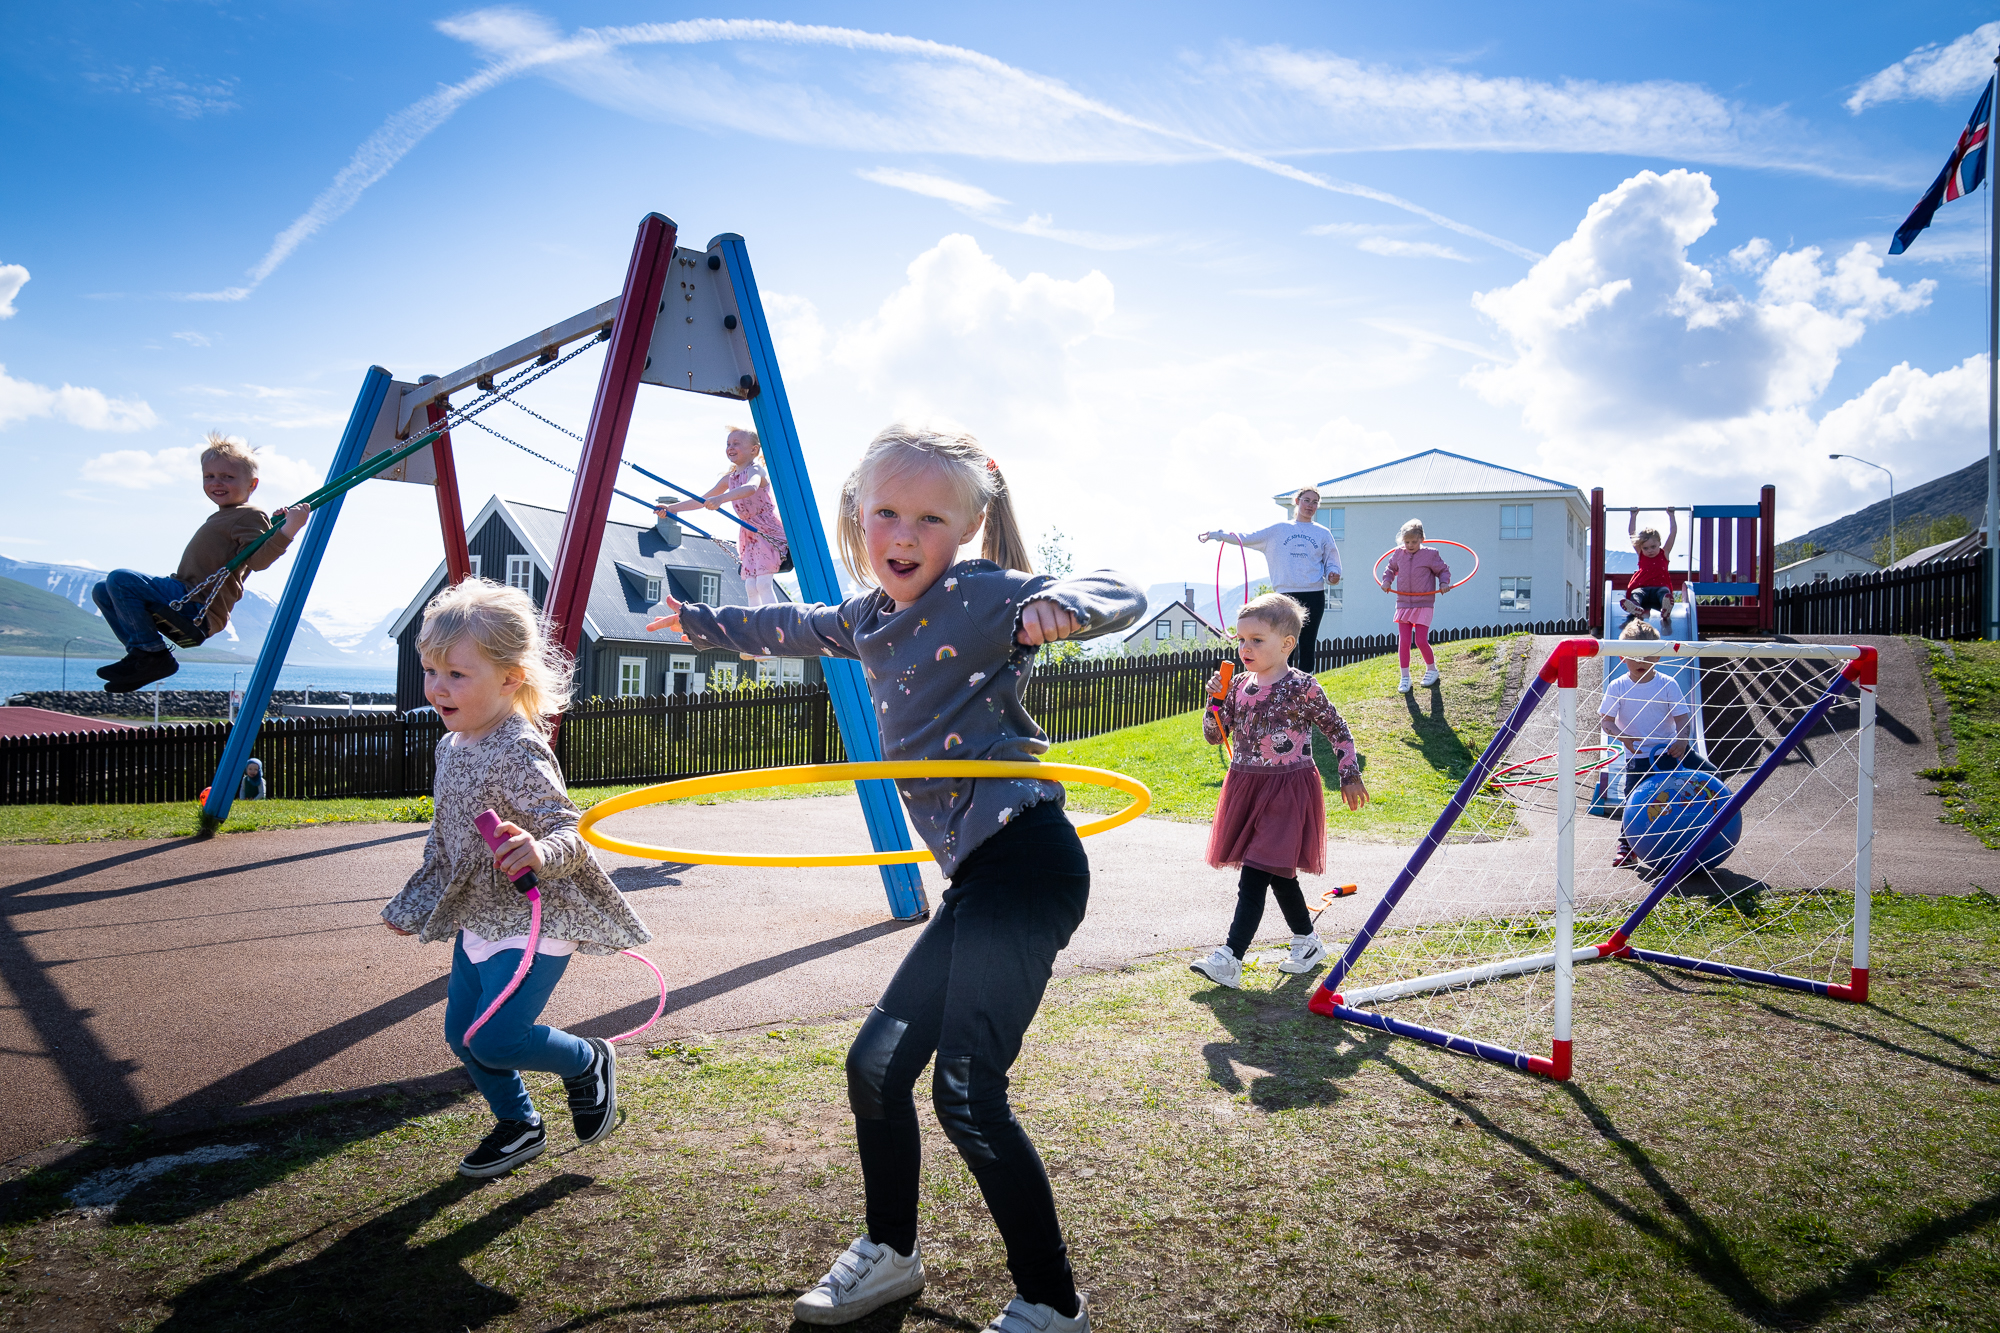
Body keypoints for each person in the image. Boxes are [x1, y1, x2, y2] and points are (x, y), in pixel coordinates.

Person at [654, 425, 1143, 1332]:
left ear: (965, 529)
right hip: (978, 877)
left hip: (1027, 860)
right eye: (885, 511)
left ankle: (1051, 1302)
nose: (904, 533)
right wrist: (700, 622)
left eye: (929, 517)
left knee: (965, 1089)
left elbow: (1123, 589)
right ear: (857, 518)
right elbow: (789, 626)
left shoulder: (983, 593)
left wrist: (1066, 605)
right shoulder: (867, 617)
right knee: (876, 1067)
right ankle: (890, 1253)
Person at [380, 579, 651, 1179]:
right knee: (463, 1036)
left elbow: (569, 828)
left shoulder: (518, 746)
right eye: (430, 670)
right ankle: (519, 1124)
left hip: (535, 917)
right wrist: (414, 902)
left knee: (497, 1038)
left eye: (456, 674)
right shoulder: (451, 747)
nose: (436, 687)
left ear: (510, 678)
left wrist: (537, 848)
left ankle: (586, 1061)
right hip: (479, 914)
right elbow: (445, 839)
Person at [1190, 593, 1368, 990]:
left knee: (1254, 873)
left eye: (1257, 640)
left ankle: (1230, 957)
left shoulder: (1303, 686)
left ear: (1286, 643)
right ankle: (1307, 943)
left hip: (1288, 790)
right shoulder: (1236, 685)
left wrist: (1349, 773)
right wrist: (1213, 702)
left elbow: (1338, 730)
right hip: (1246, 785)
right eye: (1241, 640)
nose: (1245, 648)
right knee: (1276, 872)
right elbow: (1212, 737)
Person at [91, 433, 311, 693]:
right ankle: (141, 655)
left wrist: (288, 531)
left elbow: (258, 561)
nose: (217, 482)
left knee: (120, 579)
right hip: (183, 593)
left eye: (228, 477)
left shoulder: (250, 515)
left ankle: (152, 655)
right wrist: (276, 529)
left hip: (196, 605)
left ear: (252, 485)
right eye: (209, 476)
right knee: (102, 589)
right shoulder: (226, 515)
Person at [1599, 620, 1710, 867]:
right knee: (1633, 800)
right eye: (1635, 656)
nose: (1642, 661)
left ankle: (1704, 830)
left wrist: (1682, 740)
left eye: (1649, 655)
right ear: (1621, 657)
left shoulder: (1667, 684)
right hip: (1638, 757)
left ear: (1659, 656)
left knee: (1709, 775)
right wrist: (1622, 736)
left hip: (1671, 752)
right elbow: (1606, 721)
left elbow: (1682, 717)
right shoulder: (1618, 686)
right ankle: (1627, 846)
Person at [1198, 487, 1342, 672]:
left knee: (1308, 641)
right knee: (1283, 641)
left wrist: (1333, 575)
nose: (1310, 505)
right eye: (1307, 500)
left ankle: (1305, 686)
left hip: (1314, 593)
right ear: (1297, 502)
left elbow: (1333, 562)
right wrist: (1217, 535)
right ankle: (1282, 682)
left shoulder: (1323, 533)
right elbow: (1245, 538)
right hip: (1285, 596)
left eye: (1315, 502)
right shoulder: (1278, 530)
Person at [656, 425, 790, 612]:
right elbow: (702, 500)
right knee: (750, 586)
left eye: (736, 443)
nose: (730, 447)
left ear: (754, 450)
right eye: (728, 444)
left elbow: (751, 488)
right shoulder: (730, 478)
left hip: (766, 530)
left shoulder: (756, 469)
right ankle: (756, 623)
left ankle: (775, 622)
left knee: (763, 583)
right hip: (749, 533)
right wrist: (672, 508)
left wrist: (721, 499)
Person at [1380, 519, 1452, 693]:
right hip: (1404, 603)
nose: (1410, 545)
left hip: (1424, 603)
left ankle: (1432, 669)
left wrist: (1444, 583)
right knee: (1404, 641)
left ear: (1422, 539)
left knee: (1420, 640)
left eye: (1414, 541)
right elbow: (1390, 569)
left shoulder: (1431, 554)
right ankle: (1405, 677)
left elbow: (1443, 570)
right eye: (1407, 542)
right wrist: (1387, 581)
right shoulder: (1398, 554)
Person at [1621, 508, 1678, 628]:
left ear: (1659, 544)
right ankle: (1635, 607)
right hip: (1643, 589)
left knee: (1664, 592)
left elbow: (1673, 533)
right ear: (1641, 548)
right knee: (1636, 593)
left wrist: (1671, 516)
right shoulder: (1641, 554)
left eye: (1653, 546)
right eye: (1645, 548)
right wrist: (1633, 516)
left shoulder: (1664, 553)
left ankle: (1666, 608)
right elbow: (1632, 533)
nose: (1649, 550)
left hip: (1659, 589)